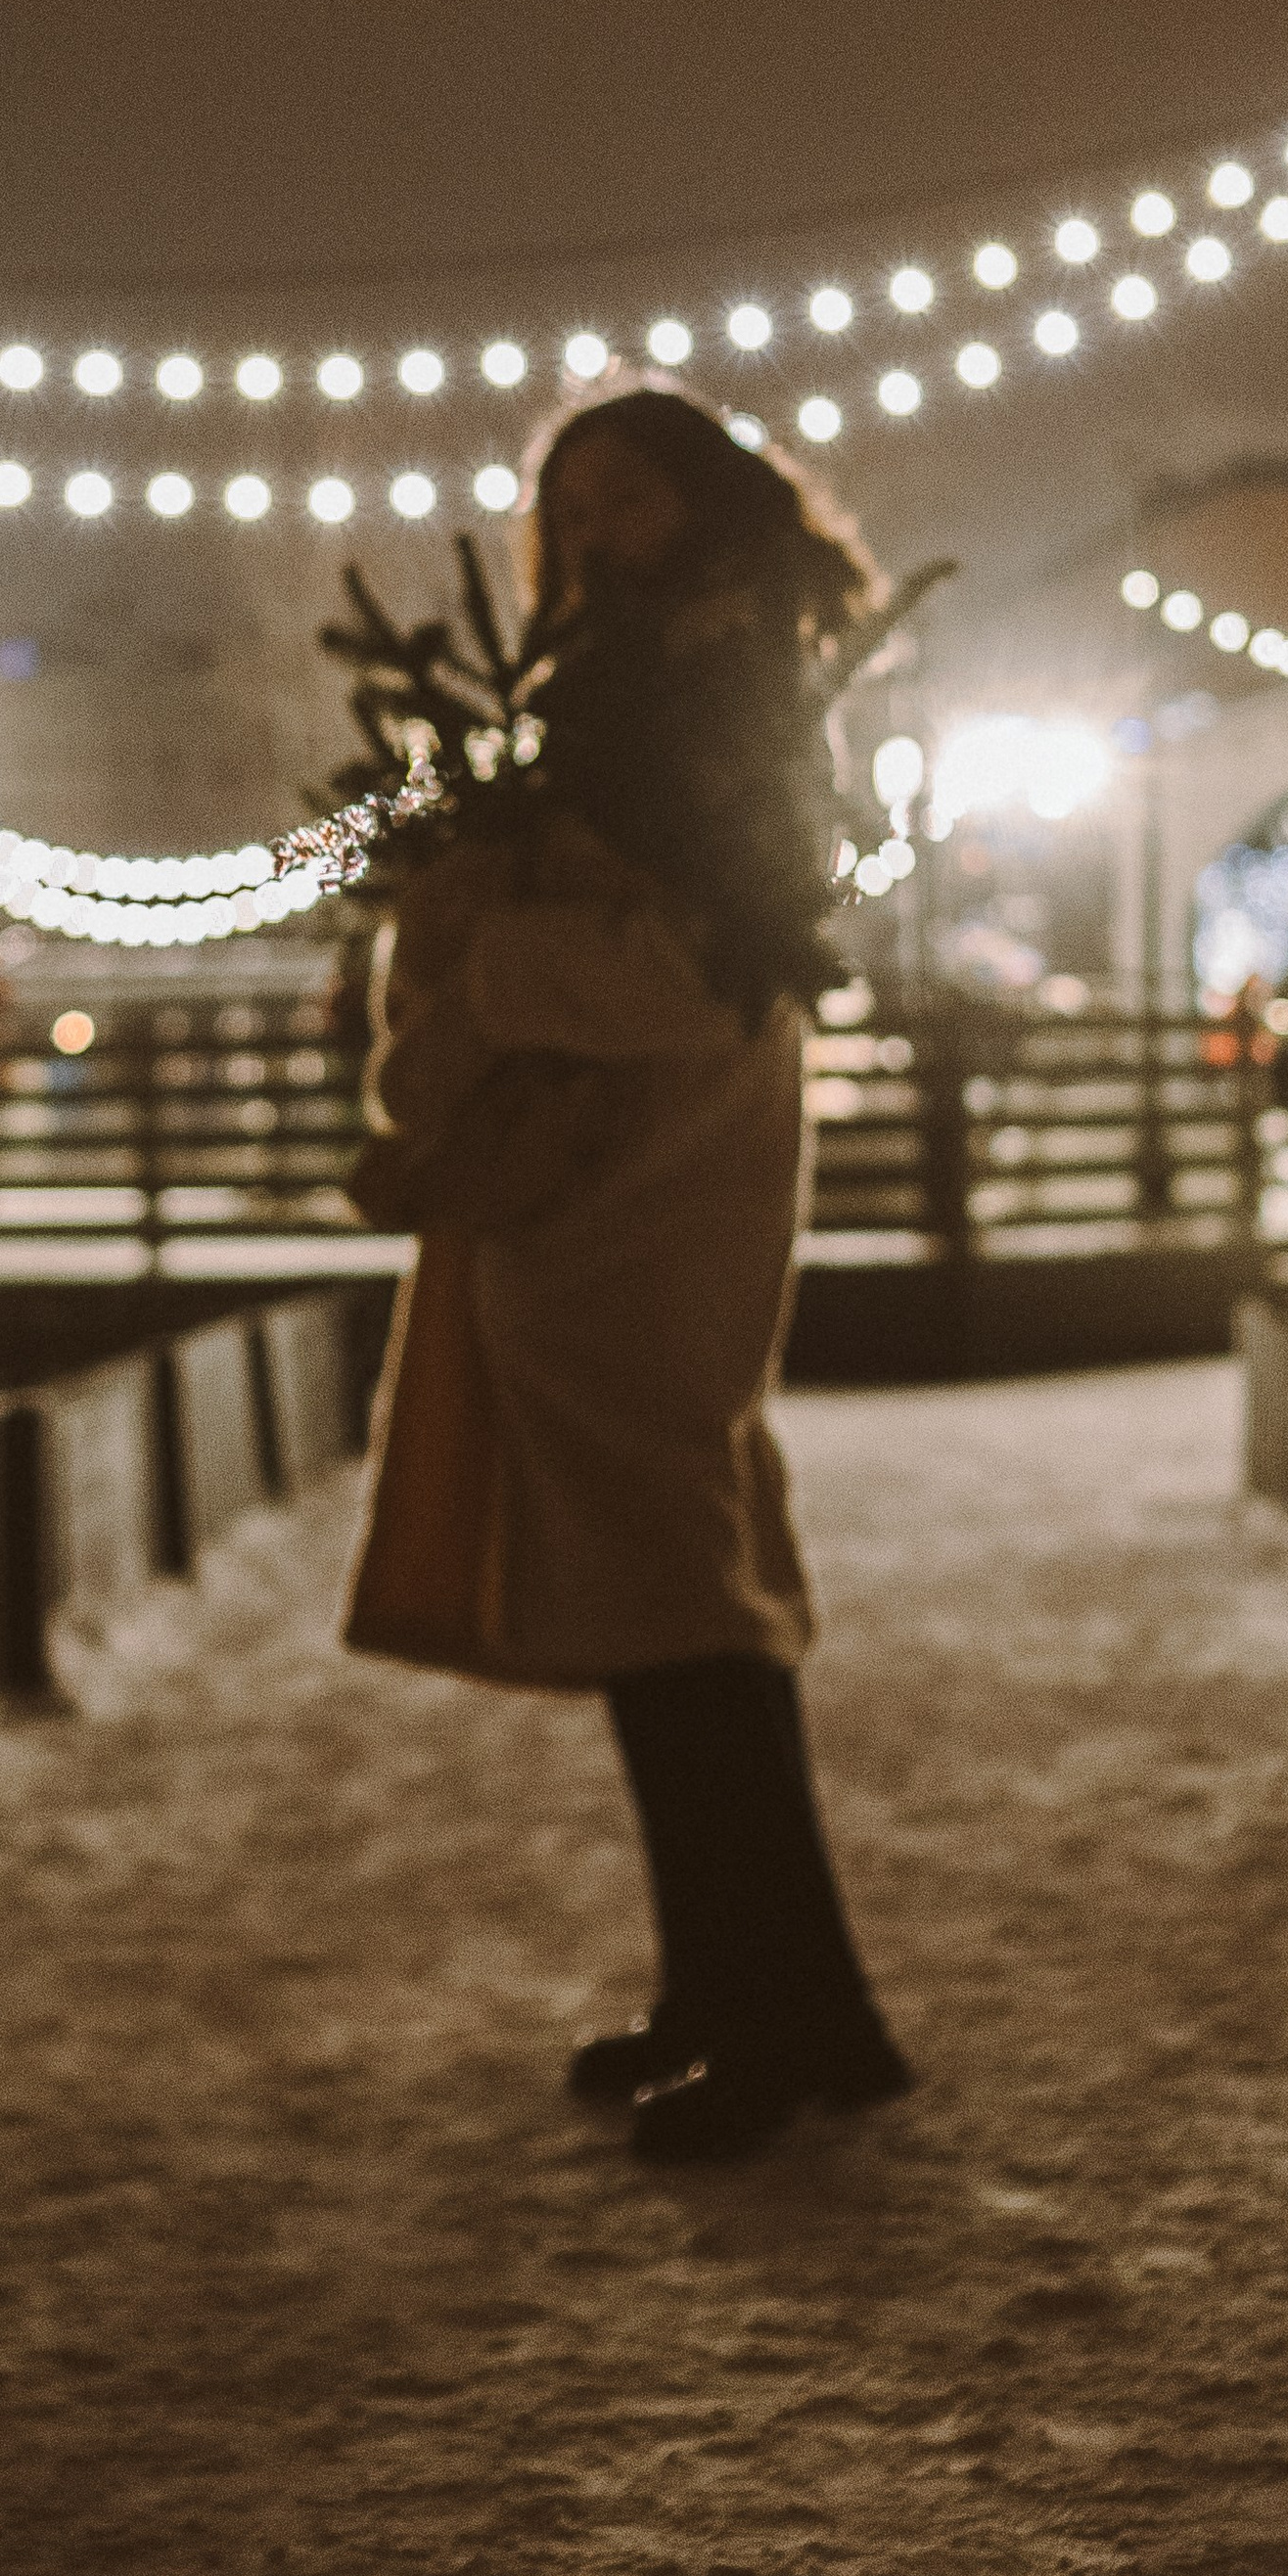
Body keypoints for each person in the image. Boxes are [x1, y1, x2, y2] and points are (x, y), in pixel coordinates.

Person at [340, 384, 912, 2162]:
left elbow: (710, 969)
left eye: (628, 501)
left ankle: (778, 2011)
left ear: (709, 504)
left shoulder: (723, 705)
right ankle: (763, 1993)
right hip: (590, 1199)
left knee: (680, 1598)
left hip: (653, 1198)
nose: (594, 538)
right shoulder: (617, 695)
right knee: (665, 1601)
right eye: (569, 510)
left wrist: (484, 961)